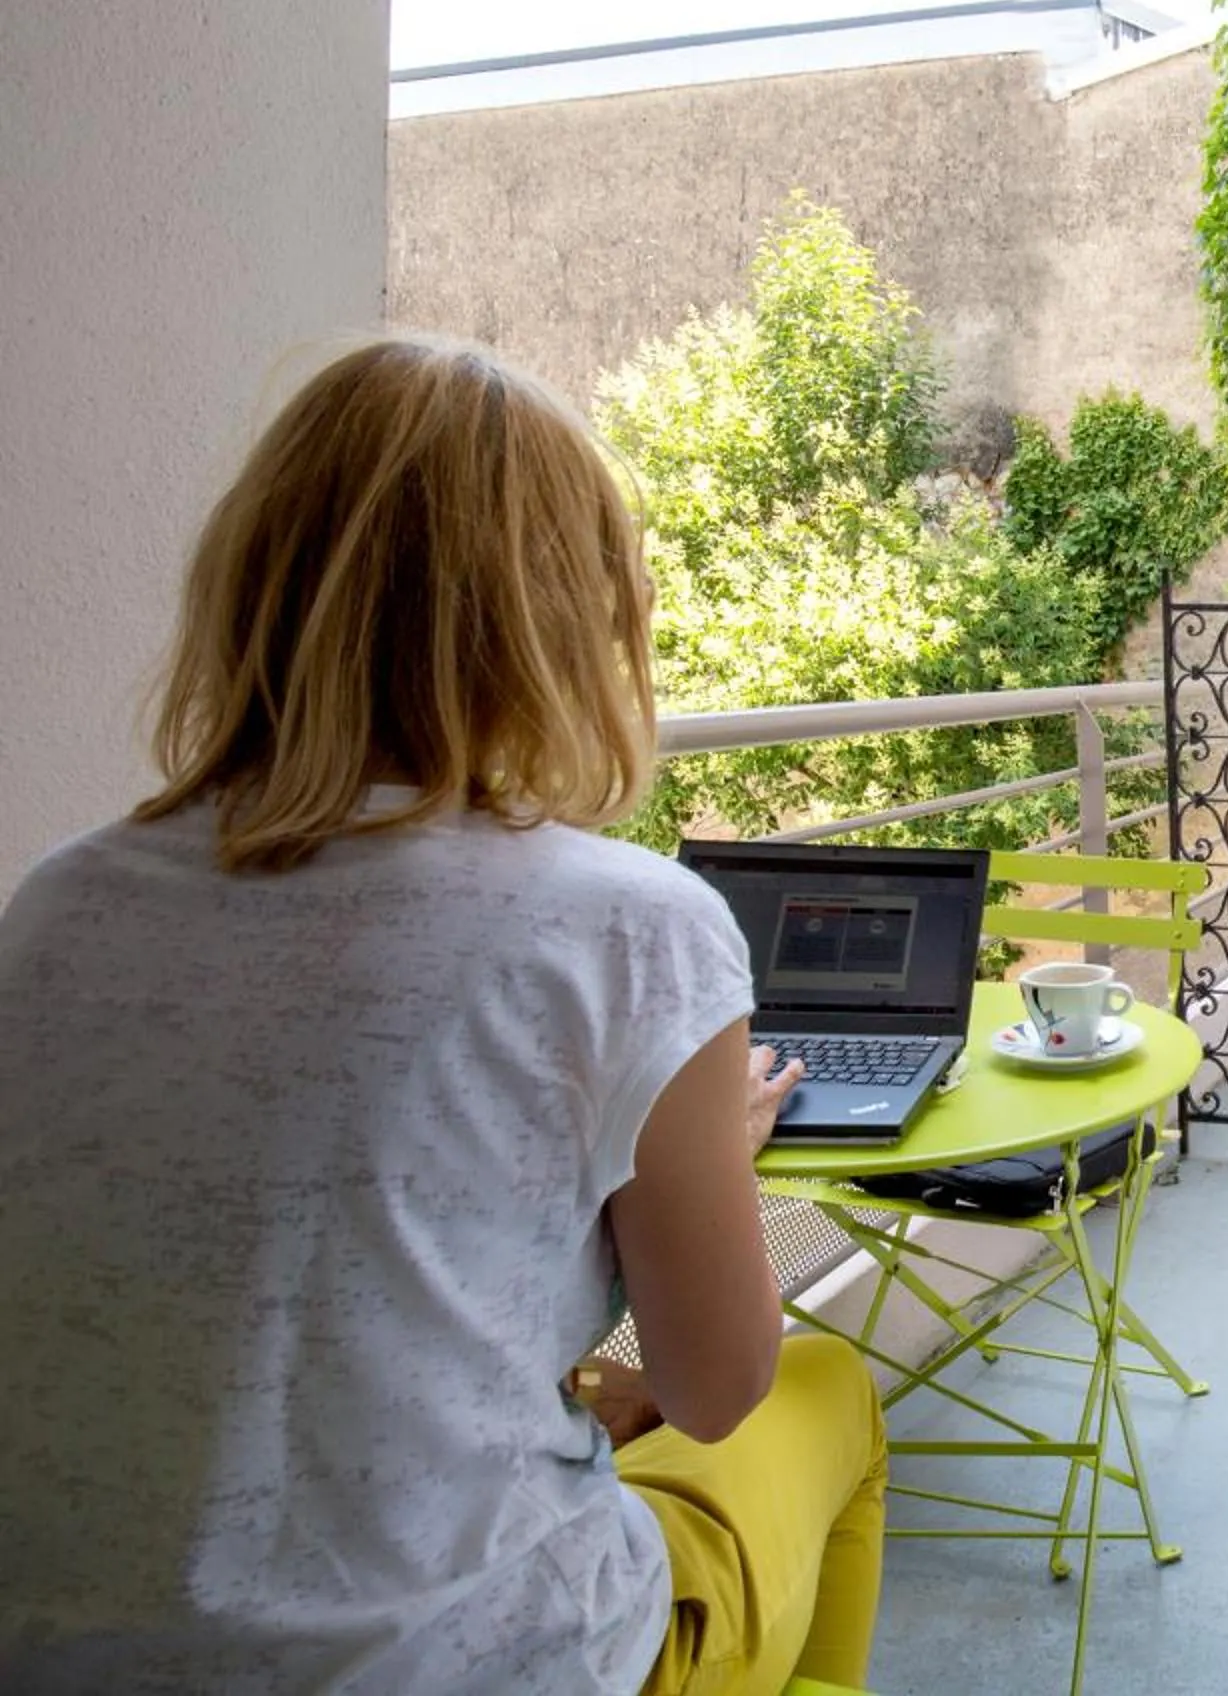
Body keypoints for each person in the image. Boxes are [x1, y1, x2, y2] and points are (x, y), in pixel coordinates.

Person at [0, 338, 887, 1693]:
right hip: (471, 1664)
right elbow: (715, 1388)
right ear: (564, 617)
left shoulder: (59, 905)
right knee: (830, 1399)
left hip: (73, 1651)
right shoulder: (626, 927)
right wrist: (714, 1157)